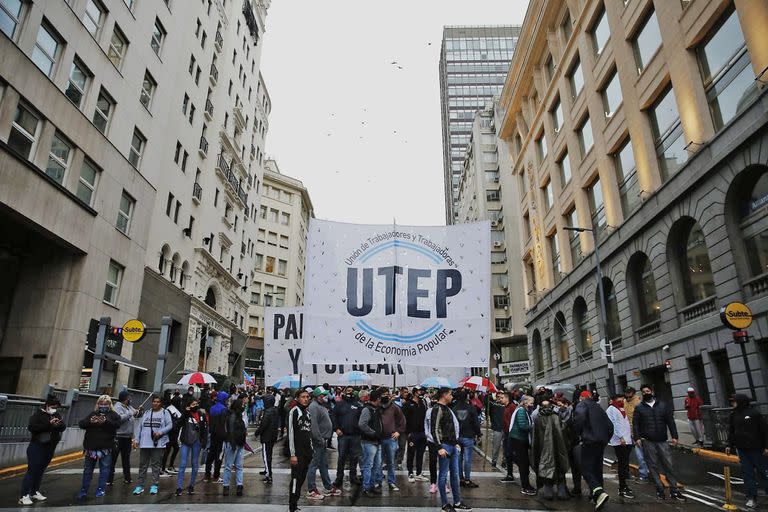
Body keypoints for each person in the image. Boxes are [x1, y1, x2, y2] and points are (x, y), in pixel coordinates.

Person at [632, 384, 685, 502]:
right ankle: (660, 489)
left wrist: (675, 436)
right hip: (648, 441)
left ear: (652, 391)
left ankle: (674, 490)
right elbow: (635, 424)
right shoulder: (639, 408)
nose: (646, 393)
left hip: (662, 440)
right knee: (653, 465)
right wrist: (637, 438)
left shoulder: (662, 406)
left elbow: (670, 421)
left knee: (668, 465)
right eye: (643, 392)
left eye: (647, 391)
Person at [19, 395, 66, 505]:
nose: (54, 409)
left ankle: (34, 491)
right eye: (53, 406)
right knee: (32, 470)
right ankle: (24, 495)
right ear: (47, 405)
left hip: (50, 447)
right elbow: (33, 428)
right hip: (37, 446)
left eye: (56, 407)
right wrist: (49, 425)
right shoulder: (38, 415)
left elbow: (63, 427)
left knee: (40, 471)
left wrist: (57, 424)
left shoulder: (56, 415)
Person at [431, 387, 471, 512]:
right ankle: (445, 504)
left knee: (455, 475)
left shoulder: (447, 408)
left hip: (452, 445)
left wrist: (456, 443)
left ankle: (457, 502)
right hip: (445, 446)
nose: (452, 396)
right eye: (450, 394)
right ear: (444, 395)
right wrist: (439, 447)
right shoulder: (437, 409)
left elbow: (452, 427)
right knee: (443, 475)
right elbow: (435, 429)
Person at [726, 393, 768, 509]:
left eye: (734, 401)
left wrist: (766, 447)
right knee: (747, 474)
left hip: (757, 449)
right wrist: (729, 445)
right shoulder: (733, 415)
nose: (732, 403)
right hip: (742, 450)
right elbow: (731, 431)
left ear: (740, 401)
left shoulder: (754, 414)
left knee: (763, 473)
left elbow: (764, 431)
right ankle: (751, 497)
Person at [573, 390, 613, 511]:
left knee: (585, 468)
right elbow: (610, 426)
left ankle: (598, 492)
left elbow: (579, 419)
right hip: (601, 442)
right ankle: (596, 496)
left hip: (589, 441)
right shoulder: (598, 407)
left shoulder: (582, 405)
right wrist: (606, 438)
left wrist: (578, 434)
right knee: (597, 468)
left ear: (582, 397)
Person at [76, 395, 120, 499]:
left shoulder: (113, 414)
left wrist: (105, 422)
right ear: (98, 404)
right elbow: (81, 424)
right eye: (101, 404)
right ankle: (84, 490)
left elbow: (117, 425)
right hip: (90, 447)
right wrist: (90, 421)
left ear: (110, 405)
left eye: (105, 404)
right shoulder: (93, 414)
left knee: (104, 469)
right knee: (87, 470)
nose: (103, 406)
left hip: (106, 447)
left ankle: (101, 489)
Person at [132, 395, 174, 496]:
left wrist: (161, 432)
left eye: (158, 402)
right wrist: (136, 439)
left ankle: (154, 485)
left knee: (156, 465)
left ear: (161, 403)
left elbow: (170, 425)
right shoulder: (146, 413)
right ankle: (140, 486)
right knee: (143, 465)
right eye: (154, 401)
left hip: (158, 444)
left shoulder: (165, 413)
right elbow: (139, 427)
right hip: (144, 443)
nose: (155, 403)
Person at [531, 400, 569, 501]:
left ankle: (549, 490)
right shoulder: (557, 416)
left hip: (543, 449)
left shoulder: (538, 418)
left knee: (546, 468)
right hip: (558, 447)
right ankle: (561, 490)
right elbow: (563, 432)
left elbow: (535, 437)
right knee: (559, 467)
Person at [307, 386, 341, 499]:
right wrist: (319, 439)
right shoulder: (313, 407)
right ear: (317, 396)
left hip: (323, 440)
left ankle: (328, 486)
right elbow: (314, 425)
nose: (325, 396)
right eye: (323, 395)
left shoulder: (320, 405)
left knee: (323, 464)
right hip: (319, 441)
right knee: (313, 465)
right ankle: (311, 490)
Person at [175, 396, 207, 496]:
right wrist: (185, 413)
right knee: (183, 464)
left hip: (197, 442)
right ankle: (179, 487)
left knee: (195, 464)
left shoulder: (201, 414)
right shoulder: (186, 414)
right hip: (186, 441)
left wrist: (204, 441)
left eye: (196, 404)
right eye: (193, 404)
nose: (195, 406)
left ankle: (192, 485)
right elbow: (178, 424)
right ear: (188, 405)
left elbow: (205, 428)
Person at [332, 385, 363, 488]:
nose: (350, 392)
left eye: (351, 391)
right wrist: (336, 428)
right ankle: (339, 477)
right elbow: (333, 417)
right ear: (344, 392)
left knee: (354, 458)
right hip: (343, 436)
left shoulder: (358, 405)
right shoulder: (339, 404)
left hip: (355, 436)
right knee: (341, 457)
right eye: (348, 390)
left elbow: (362, 420)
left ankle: (353, 477)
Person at [289, 389, 314, 512]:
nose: (306, 399)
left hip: (307, 452)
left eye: (307, 397)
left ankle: (296, 502)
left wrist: (311, 450)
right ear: (297, 398)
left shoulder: (308, 413)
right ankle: (292, 506)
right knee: (295, 479)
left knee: (302, 479)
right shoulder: (294, 412)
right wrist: (293, 454)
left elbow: (308, 433)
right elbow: (291, 433)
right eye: (303, 397)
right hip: (297, 453)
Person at [109, 390, 140, 486]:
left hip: (127, 437)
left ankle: (127, 477)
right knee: (113, 458)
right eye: (129, 397)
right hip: (118, 437)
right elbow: (119, 418)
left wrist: (137, 411)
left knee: (126, 458)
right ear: (125, 399)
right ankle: (109, 479)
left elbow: (134, 413)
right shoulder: (117, 407)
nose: (130, 399)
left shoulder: (129, 407)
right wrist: (131, 413)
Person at [607, 394, 634, 499]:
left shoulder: (621, 408)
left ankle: (624, 486)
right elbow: (613, 424)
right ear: (613, 400)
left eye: (623, 400)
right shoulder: (611, 410)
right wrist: (620, 437)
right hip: (619, 441)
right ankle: (622, 488)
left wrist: (629, 438)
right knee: (622, 464)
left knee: (625, 464)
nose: (622, 401)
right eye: (619, 400)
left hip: (627, 440)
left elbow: (626, 424)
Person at [452, 389, 481, 488]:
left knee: (459, 458)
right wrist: (478, 434)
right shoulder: (471, 408)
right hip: (468, 436)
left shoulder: (454, 409)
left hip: (458, 436)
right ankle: (467, 480)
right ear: (467, 397)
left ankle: (461, 478)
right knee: (468, 459)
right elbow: (476, 423)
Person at [380, 387, 406, 491]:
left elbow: (402, 421)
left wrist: (398, 432)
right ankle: (378, 481)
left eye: (386, 394)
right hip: (379, 439)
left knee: (391, 462)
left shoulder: (395, 407)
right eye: (382, 394)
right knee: (378, 462)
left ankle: (392, 482)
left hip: (391, 439)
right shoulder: (377, 407)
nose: (385, 396)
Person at [509, 395, 535, 496]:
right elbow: (522, 426)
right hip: (519, 440)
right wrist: (533, 426)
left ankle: (527, 485)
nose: (532, 405)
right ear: (525, 402)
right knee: (523, 465)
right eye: (531, 403)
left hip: (520, 439)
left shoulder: (523, 410)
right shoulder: (521, 411)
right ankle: (525, 486)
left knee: (524, 464)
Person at [222, 395, 248, 496]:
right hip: (233, 444)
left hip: (238, 443)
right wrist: (232, 443)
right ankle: (227, 485)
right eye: (242, 405)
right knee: (230, 466)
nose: (244, 406)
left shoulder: (238, 415)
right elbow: (231, 431)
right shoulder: (233, 416)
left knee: (238, 466)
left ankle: (238, 485)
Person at [403, 388, 429, 483]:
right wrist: (407, 432)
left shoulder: (423, 403)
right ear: (414, 392)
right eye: (418, 391)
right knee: (411, 454)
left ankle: (419, 473)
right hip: (412, 433)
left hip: (422, 433)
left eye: (421, 390)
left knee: (420, 454)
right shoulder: (407, 404)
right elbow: (404, 419)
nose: (420, 392)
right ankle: (410, 473)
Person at [623, 387, 648, 483]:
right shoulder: (624, 401)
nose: (628, 394)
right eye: (626, 392)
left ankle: (644, 475)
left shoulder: (638, 401)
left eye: (630, 392)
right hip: (626, 432)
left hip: (637, 432)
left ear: (633, 393)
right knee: (625, 454)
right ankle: (626, 472)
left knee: (641, 455)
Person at [255, 394, 279, 484]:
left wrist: (257, 432)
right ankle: (267, 470)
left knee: (266, 456)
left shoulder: (268, 412)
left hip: (266, 437)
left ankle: (268, 475)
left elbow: (263, 425)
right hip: (272, 436)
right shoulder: (275, 410)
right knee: (269, 455)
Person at [205, 391, 228, 482]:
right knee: (219, 456)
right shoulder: (224, 409)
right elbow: (224, 424)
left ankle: (207, 474)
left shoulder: (212, 408)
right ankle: (216, 476)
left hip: (213, 434)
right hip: (221, 436)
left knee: (211, 454)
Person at [161, 394, 182, 477]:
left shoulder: (172, 409)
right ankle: (163, 468)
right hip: (170, 433)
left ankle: (169, 466)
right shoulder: (170, 410)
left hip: (173, 433)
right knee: (167, 450)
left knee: (173, 449)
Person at [500, 391, 517, 484]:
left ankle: (523, 469)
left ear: (507, 398)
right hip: (506, 434)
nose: (500, 399)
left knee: (511, 454)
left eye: (502, 398)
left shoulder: (512, 407)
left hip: (511, 434)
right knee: (508, 454)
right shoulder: (506, 407)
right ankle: (509, 474)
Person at [488, 392, 506, 468]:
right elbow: (486, 403)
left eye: (501, 397)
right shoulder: (493, 405)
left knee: (506, 447)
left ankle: (504, 461)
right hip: (497, 428)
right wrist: (489, 395)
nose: (500, 398)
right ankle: (494, 461)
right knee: (496, 446)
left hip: (505, 429)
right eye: (498, 397)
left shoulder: (507, 406)